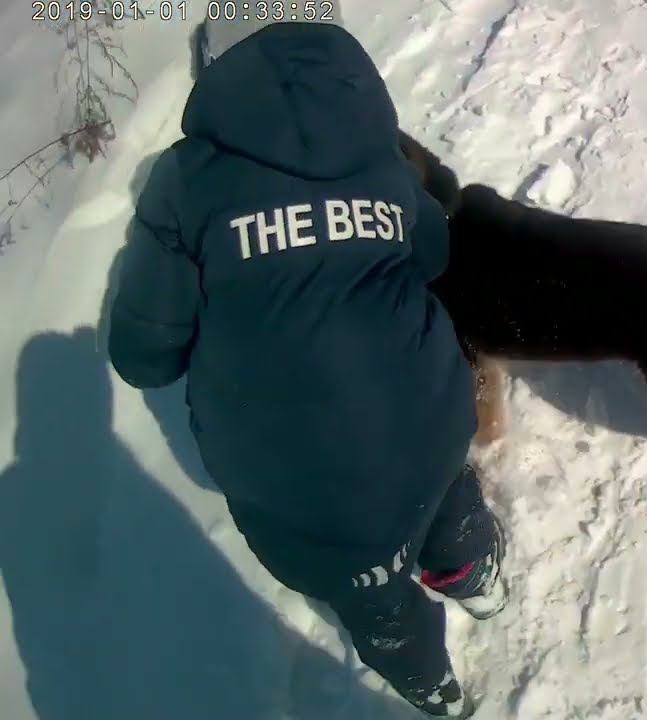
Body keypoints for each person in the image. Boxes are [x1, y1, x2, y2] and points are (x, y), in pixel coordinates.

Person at [106, 6, 505, 718]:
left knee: (373, 592)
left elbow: (144, 355)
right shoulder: (377, 152)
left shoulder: (186, 181)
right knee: (442, 483)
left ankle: (426, 679)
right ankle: (473, 573)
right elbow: (434, 253)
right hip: (430, 412)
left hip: (306, 484)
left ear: (216, 65)